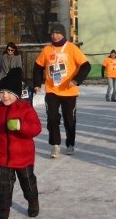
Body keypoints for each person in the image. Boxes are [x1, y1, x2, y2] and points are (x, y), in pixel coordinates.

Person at [0, 68, 42, 219]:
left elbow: (36, 128)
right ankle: (3, 209)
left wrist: (20, 125)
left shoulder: (25, 109)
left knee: (28, 182)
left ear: (17, 94)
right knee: (2, 185)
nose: (5, 96)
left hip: (23, 156)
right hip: (2, 156)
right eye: (2, 92)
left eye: (9, 92)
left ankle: (33, 201)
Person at [33, 23, 91, 158]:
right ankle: (55, 145)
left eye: (58, 33)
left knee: (69, 119)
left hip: (69, 91)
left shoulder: (71, 48)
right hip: (52, 90)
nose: (55, 35)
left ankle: (70, 144)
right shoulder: (47, 50)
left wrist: (76, 80)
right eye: (53, 33)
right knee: (52, 118)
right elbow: (37, 66)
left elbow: (86, 66)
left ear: (63, 34)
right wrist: (37, 83)